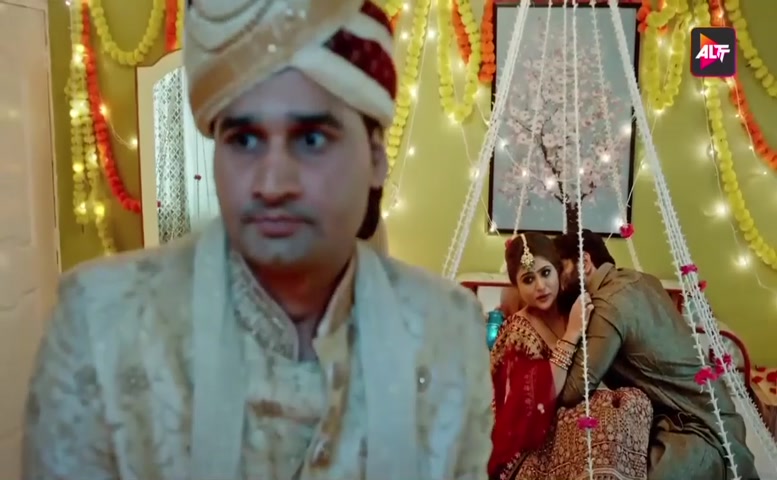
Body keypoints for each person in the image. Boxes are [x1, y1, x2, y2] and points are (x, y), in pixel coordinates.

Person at [22, 2, 493, 479]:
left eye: (311, 139)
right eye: (244, 140)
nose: (272, 184)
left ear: (375, 158)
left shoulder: (449, 334)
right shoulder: (101, 325)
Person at [553, 229, 758, 480]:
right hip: (722, 414)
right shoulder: (642, 280)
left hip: (695, 429)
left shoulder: (607, 305)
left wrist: (569, 335)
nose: (554, 283)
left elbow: (573, 391)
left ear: (584, 262)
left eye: (559, 269)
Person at [489, 232, 653, 480]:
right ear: (517, 287)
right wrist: (572, 334)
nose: (540, 286)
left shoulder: (573, 308)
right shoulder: (518, 330)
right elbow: (534, 405)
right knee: (603, 421)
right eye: (528, 279)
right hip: (531, 442)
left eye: (545, 273)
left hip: (574, 413)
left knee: (635, 401)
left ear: (558, 271)